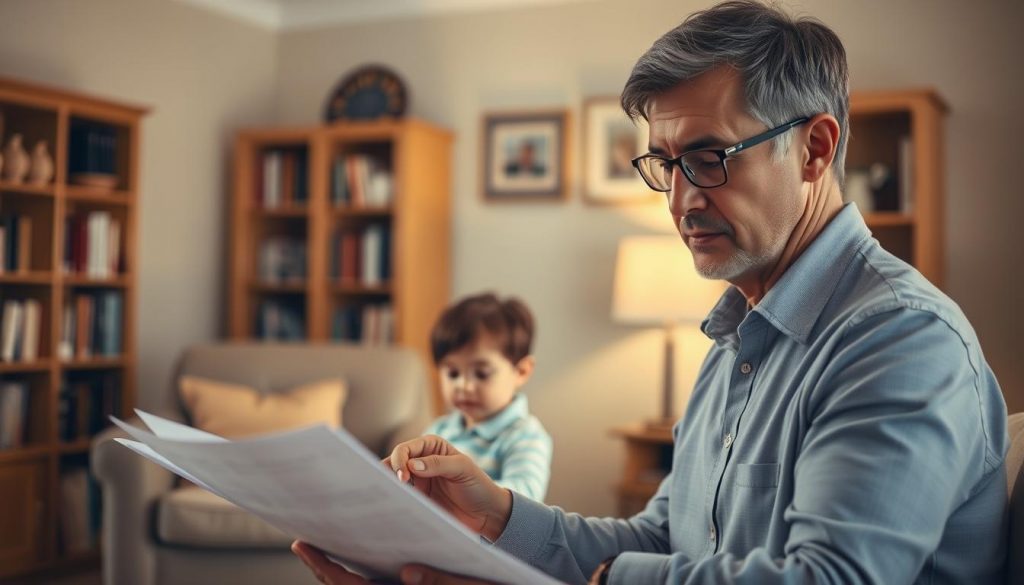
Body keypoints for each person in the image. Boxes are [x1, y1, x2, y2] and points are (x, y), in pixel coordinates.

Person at [294, 2, 1009, 584]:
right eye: (664, 165)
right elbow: (666, 537)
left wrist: (607, 580)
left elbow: (828, 578)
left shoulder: (899, 339)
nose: (680, 201)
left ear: (815, 150)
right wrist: (496, 515)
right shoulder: (737, 337)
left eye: (707, 158)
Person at [420, 292, 553, 501]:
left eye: (481, 374)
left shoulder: (525, 436)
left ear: (522, 371)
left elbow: (526, 499)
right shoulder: (440, 430)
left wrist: (455, 491)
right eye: (453, 373)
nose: (463, 385)